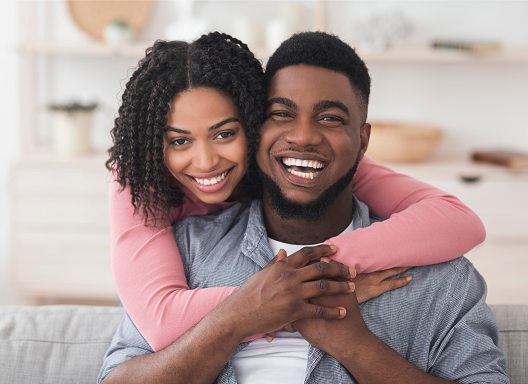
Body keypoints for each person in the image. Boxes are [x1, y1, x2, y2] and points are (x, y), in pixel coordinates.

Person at [98, 32, 508, 384]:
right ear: (261, 127)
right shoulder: (183, 245)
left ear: (363, 141)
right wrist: (262, 306)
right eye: (282, 114)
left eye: (330, 118)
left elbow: (458, 220)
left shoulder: (442, 275)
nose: (304, 136)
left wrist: (352, 339)